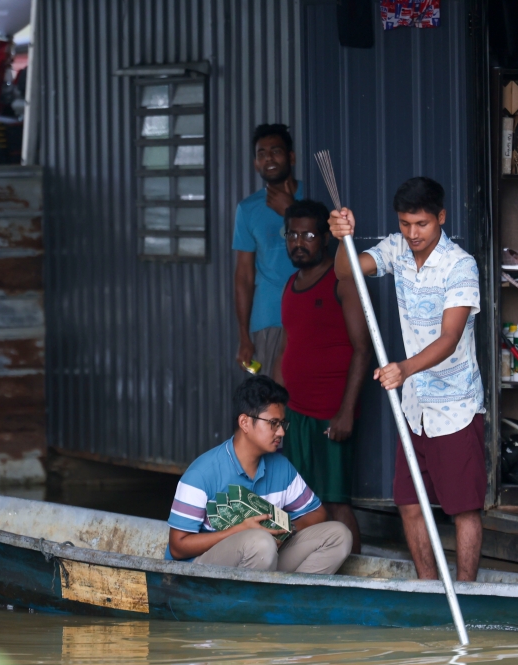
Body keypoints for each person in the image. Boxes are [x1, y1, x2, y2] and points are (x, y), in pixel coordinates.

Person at [328, 177, 485, 582]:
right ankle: (429, 588)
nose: (412, 234)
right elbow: (346, 272)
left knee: (463, 508)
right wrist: (342, 237)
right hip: (414, 408)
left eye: (422, 224)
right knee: (409, 503)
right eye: (405, 224)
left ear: (441, 219)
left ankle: (467, 592)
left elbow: (450, 339)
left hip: (455, 407)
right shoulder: (396, 249)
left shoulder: (460, 265)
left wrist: (404, 369)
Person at [166, 375, 352, 574]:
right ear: (245, 422)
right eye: (273, 423)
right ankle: (248, 602)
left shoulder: (281, 468)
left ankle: (290, 601)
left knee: (339, 535)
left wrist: (282, 531)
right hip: (201, 571)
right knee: (260, 542)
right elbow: (178, 547)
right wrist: (240, 531)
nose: (281, 432)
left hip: (264, 555)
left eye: (283, 424)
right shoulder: (202, 474)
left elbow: (318, 513)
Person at [272, 199, 371, 553]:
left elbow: (363, 348)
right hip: (295, 413)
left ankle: (357, 581)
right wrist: (270, 410)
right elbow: (286, 348)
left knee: (335, 503)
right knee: (299, 502)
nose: (299, 242)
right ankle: (312, 572)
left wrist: (346, 412)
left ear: (326, 238)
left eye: (309, 235)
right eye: (292, 235)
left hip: (330, 414)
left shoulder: (341, 280)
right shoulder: (289, 284)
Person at [233, 123, 304, 376]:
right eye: (261, 154)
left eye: (276, 151)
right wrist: (243, 335)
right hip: (268, 320)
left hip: (310, 314)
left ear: (291, 157)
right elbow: (243, 276)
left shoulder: (312, 198)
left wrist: (291, 211)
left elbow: (330, 251)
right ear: (255, 163)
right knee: (272, 405)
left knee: (307, 401)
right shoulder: (248, 209)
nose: (268, 159)